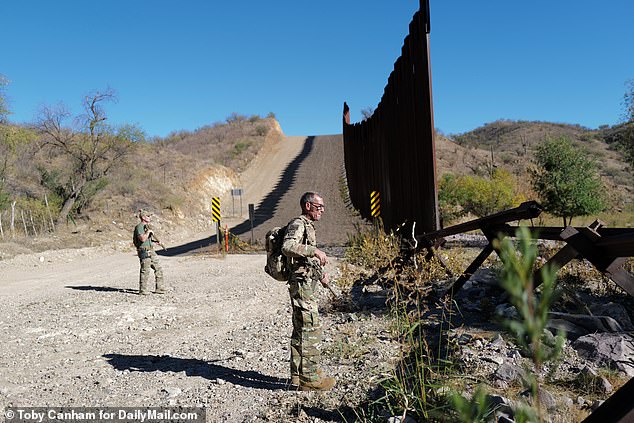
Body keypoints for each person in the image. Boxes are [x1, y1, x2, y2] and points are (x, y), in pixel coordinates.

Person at [281, 192, 336, 391]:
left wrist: (321, 276)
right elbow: (288, 246)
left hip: (306, 283)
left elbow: (305, 260)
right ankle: (310, 379)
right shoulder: (298, 224)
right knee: (310, 329)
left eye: (322, 206)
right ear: (307, 206)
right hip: (301, 285)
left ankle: (298, 376)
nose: (322, 210)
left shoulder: (308, 226)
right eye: (319, 206)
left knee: (300, 329)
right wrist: (315, 251)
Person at [133, 209, 165, 295]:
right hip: (144, 251)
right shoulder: (139, 227)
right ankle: (143, 290)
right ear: (143, 217)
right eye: (148, 216)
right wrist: (148, 232)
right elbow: (142, 239)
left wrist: (155, 242)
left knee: (158, 269)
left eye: (150, 216)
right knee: (145, 270)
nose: (150, 217)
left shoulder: (147, 227)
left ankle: (160, 288)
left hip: (151, 250)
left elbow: (147, 239)